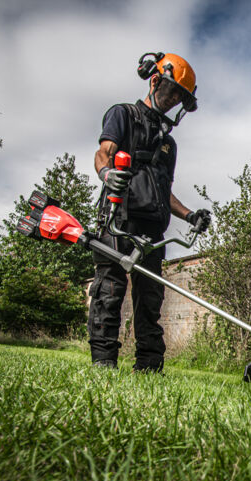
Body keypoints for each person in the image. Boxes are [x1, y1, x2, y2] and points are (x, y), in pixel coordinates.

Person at [89, 52, 211, 372]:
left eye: (180, 98)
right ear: (155, 80)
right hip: (119, 218)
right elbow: (104, 153)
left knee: (151, 300)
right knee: (109, 292)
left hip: (153, 229)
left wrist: (189, 215)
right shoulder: (123, 115)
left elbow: (163, 190)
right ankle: (104, 364)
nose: (173, 101)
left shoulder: (169, 144)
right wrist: (106, 174)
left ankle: (149, 366)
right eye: (172, 93)